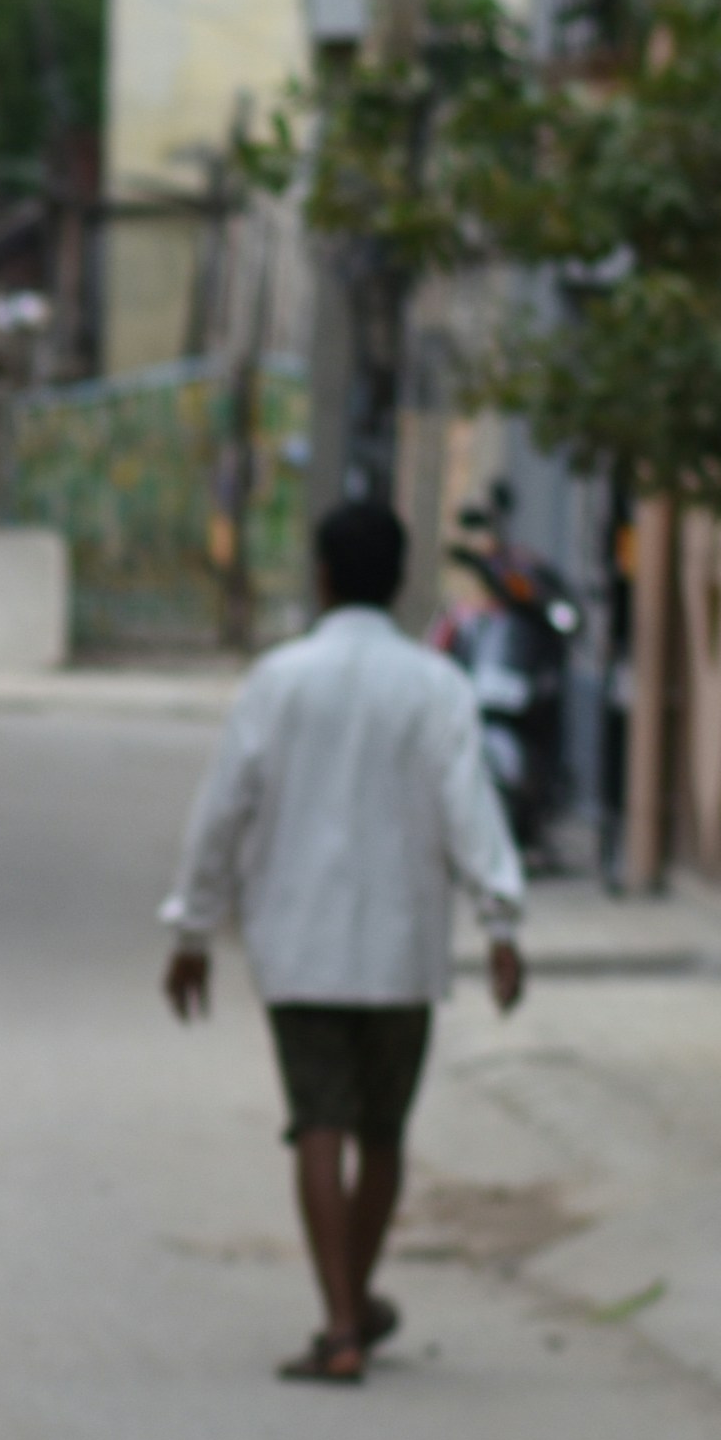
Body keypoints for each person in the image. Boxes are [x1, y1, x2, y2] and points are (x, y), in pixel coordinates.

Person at [161, 496, 529, 1384]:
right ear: (401, 580)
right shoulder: (435, 684)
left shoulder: (279, 679)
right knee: (384, 1135)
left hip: (299, 944)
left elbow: (223, 811)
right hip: (403, 950)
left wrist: (194, 930)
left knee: (317, 1124)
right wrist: (502, 921)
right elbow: (469, 806)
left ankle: (341, 1321)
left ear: (322, 575)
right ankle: (352, 1306)